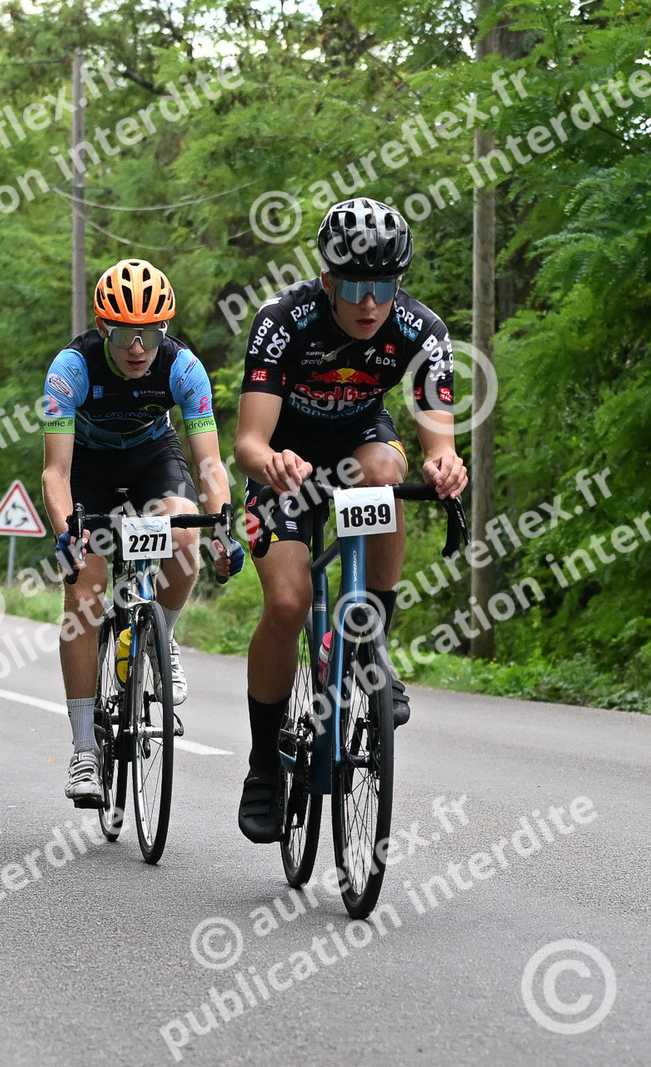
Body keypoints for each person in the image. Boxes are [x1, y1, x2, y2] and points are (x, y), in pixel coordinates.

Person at [233, 197, 468, 843]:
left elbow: (439, 443)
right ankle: (263, 765)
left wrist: (446, 467)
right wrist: (273, 462)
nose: (370, 303)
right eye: (356, 286)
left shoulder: (422, 330)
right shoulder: (284, 320)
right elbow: (248, 443)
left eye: (384, 287)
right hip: (284, 460)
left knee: (388, 472)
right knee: (288, 603)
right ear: (328, 280)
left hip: (361, 442)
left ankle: (368, 641)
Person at [42, 258, 244, 807]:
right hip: (88, 470)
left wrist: (223, 527)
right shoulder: (71, 369)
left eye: (151, 333)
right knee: (85, 591)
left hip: (153, 459)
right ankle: (84, 751)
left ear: (164, 329)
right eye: (125, 334)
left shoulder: (183, 368)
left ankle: (161, 639)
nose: (138, 348)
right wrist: (67, 535)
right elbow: (55, 473)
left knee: (184, 535)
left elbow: (209, 465)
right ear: (103, 328)